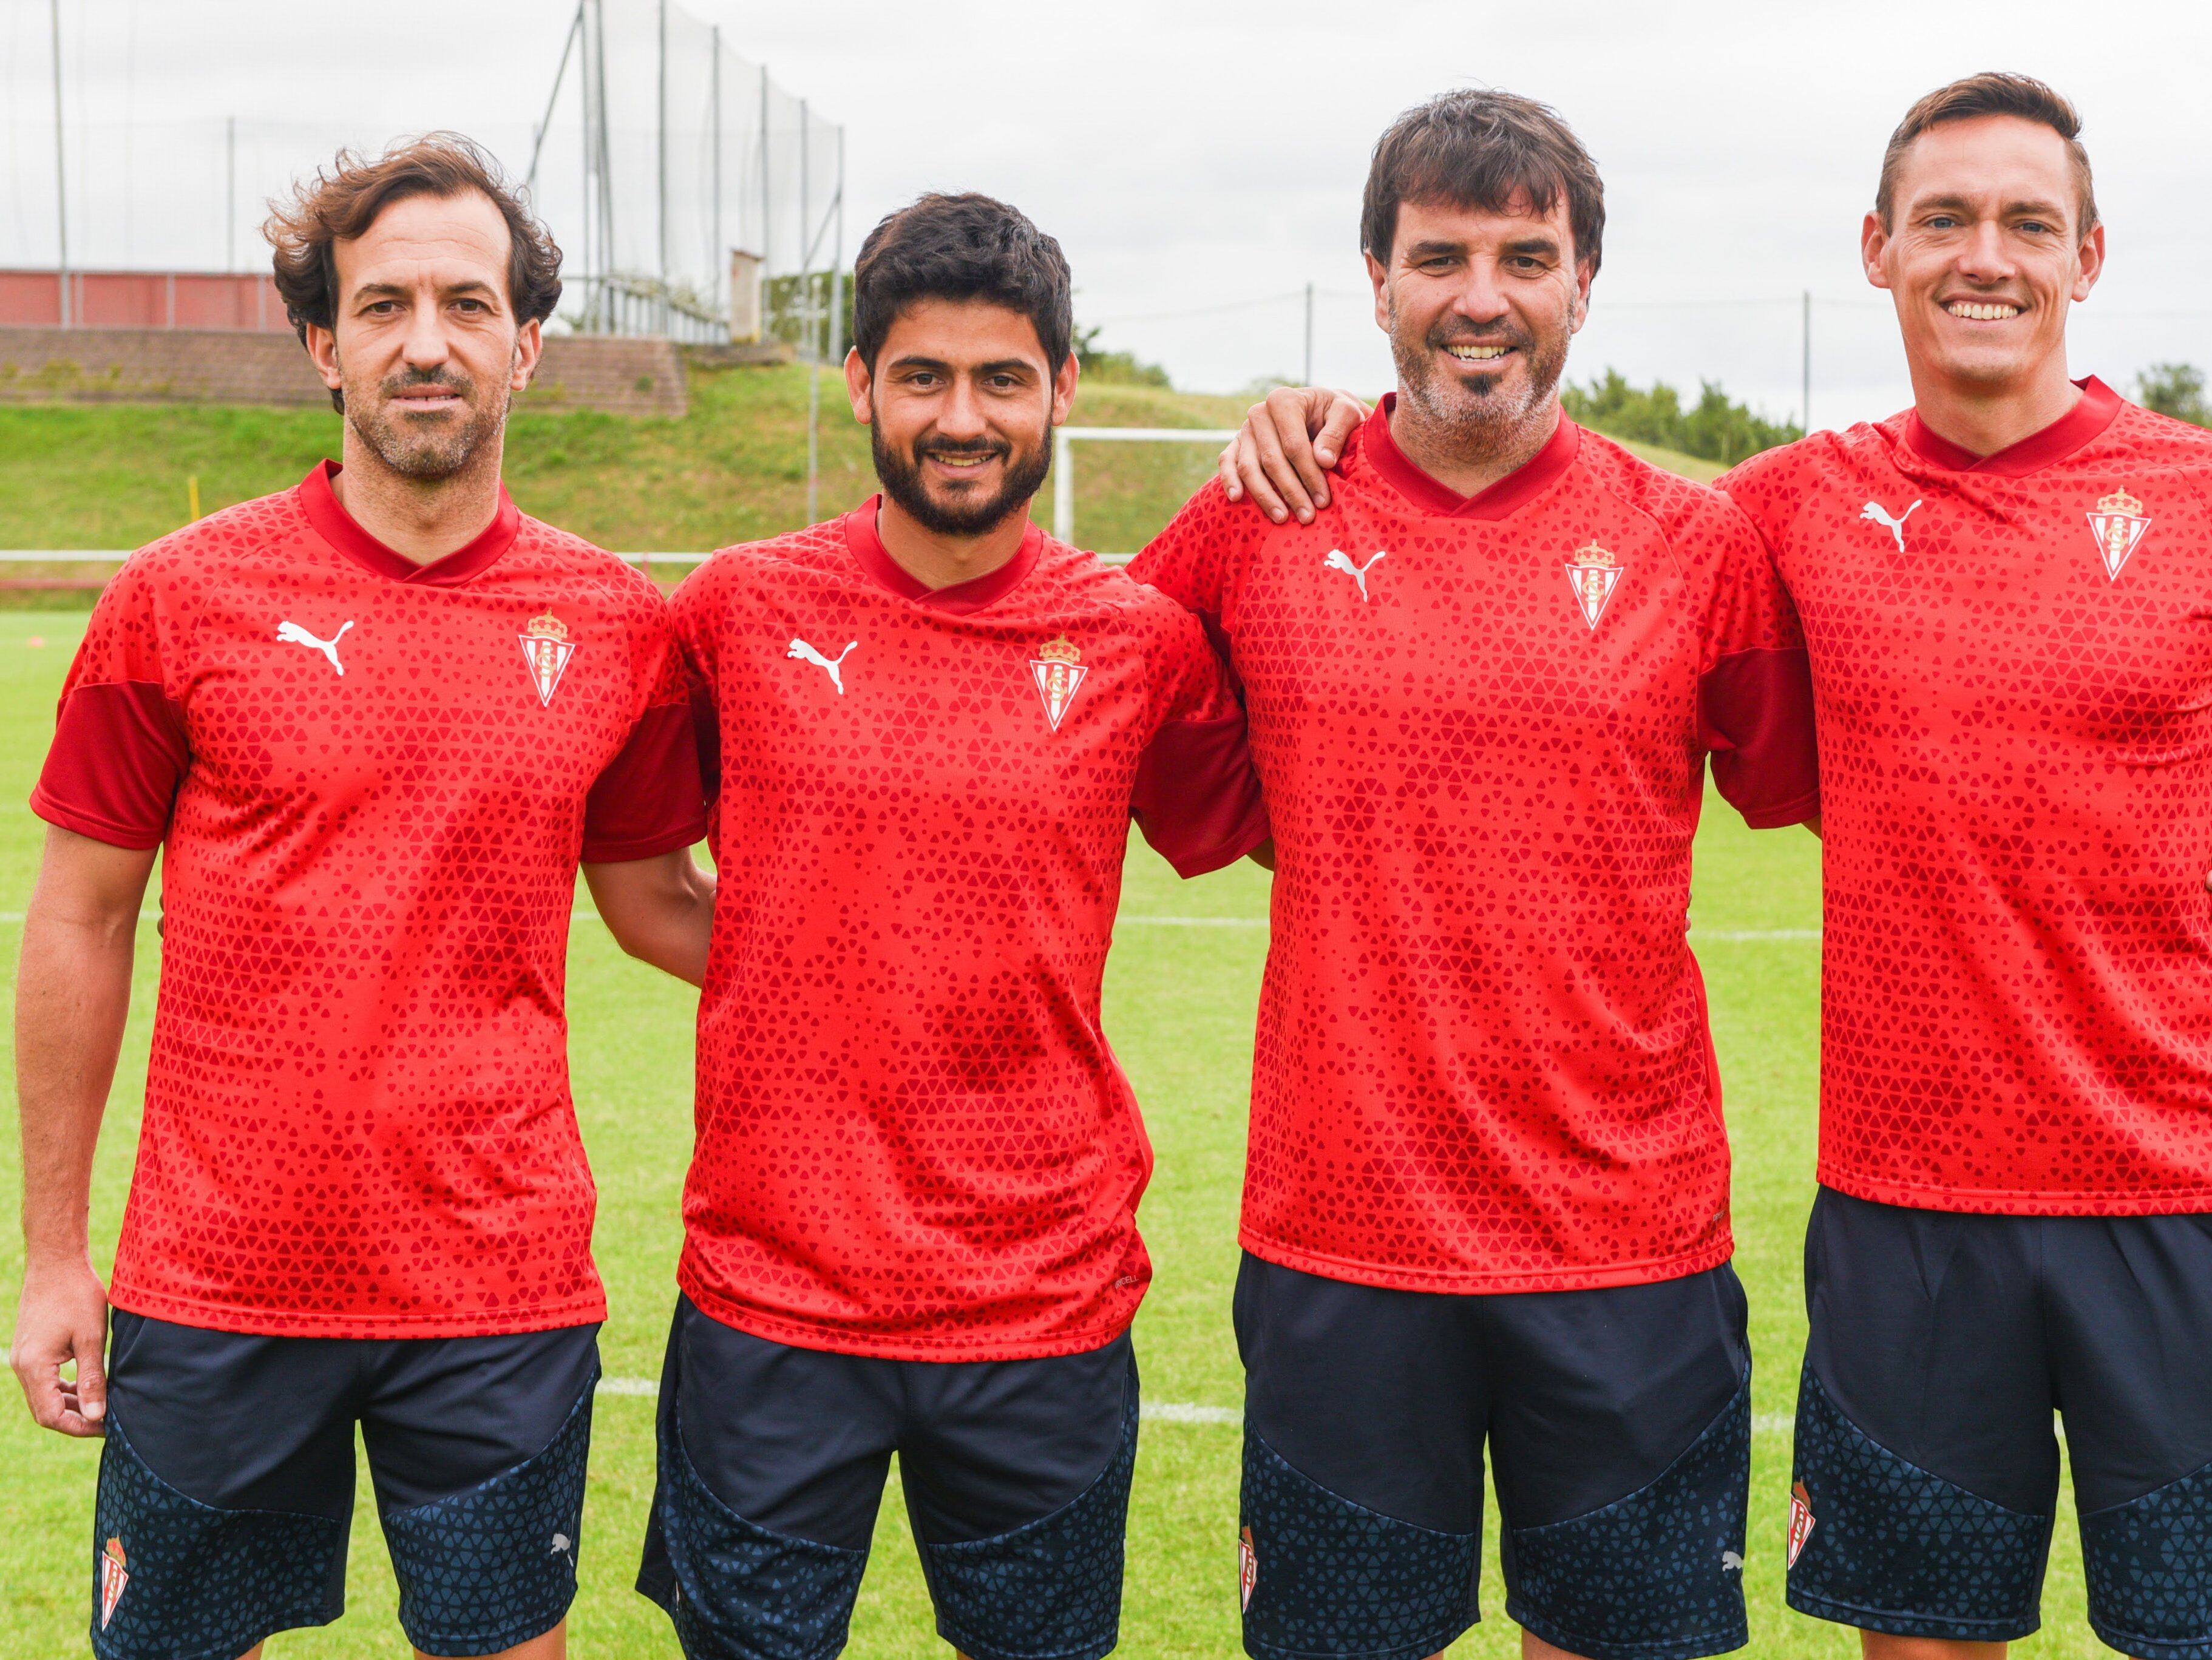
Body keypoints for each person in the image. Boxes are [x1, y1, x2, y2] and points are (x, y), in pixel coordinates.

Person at [1220, 70, 2212, 1660]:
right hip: (1902, 1224)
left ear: (2090, 255)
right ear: (1879, 248)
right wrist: (1329, 420)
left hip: (2180, 1200)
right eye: (1943, 219)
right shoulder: (1768, 518)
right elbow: (1534, 506)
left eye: (2026, 222)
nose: (1983, 256)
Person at [1131, 91, 1825, 1660]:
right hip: (1342, 1243)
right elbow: (1066, 684)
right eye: (1440, 255)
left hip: (1628, 1247)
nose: (1483, 297)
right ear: (1374, 278)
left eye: (1528, 254)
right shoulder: (1258, 516)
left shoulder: (1694, 543)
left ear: (1586, 282)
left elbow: (1848, 787)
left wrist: (2157, 856)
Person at [7, 136, 711, 1660]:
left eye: (468, 302)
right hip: (218, 1272)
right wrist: (56, 1254)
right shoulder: (176, 599)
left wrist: (882, 968)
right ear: (325, 345)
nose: (427, 341)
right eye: (382, 304)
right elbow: (77, 918)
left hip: (499, 1279)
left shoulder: (611, 622)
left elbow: (657, 899)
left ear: (527, 344)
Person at [603, 192, 1265, 1660]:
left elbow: (1238, 827)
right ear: (859, 385)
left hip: (1041, 1299)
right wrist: (820, 964)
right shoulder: (733, 611)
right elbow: (641, 889)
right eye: (922, 378)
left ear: (1061, 390)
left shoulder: (1137, 641)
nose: (960, 417)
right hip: (773, 1299)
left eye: (999, 380)